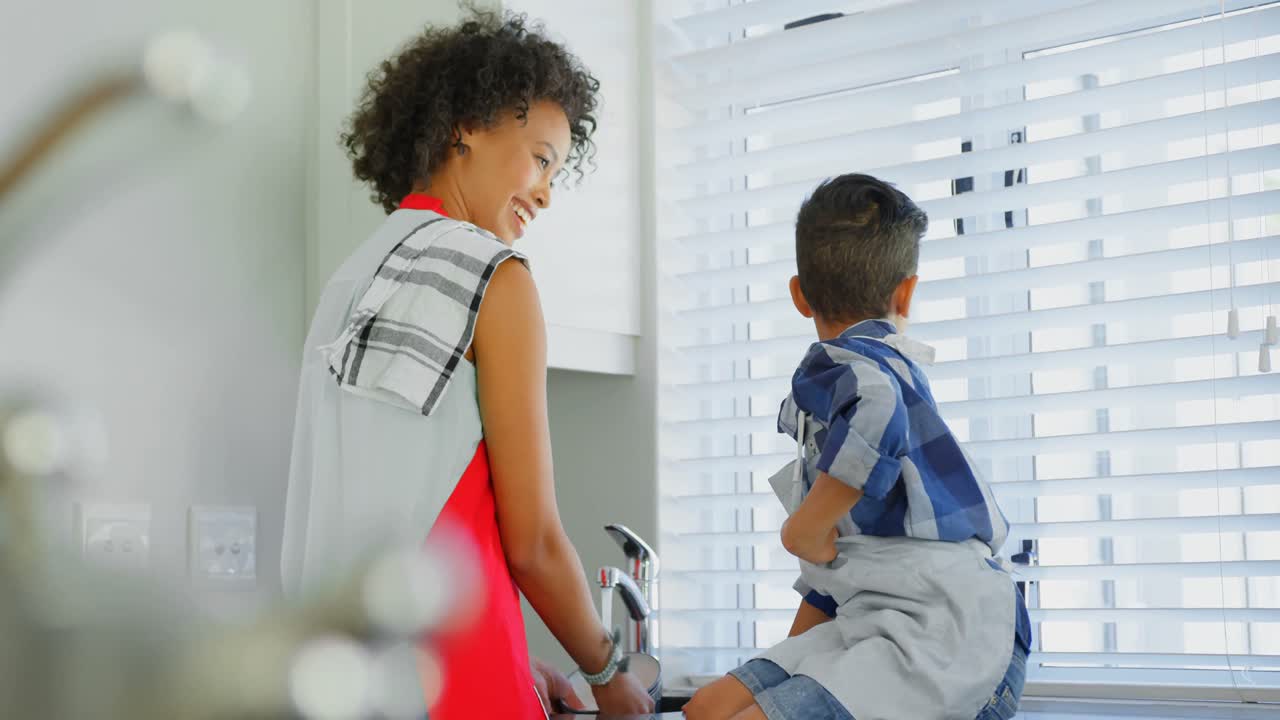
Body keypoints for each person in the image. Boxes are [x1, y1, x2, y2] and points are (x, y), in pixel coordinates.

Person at [279, 8, 653, 718]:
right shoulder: (493, 277)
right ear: (467, 125)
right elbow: (535, 543)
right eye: (540, 157)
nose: (546, 190)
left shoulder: (355, 278)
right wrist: (608, 674)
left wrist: (516, 649)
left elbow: (391, 507)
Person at [683, 174, 1032, 720]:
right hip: (889, 616)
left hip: (945, 633)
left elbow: (875, 406)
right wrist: (784, 668)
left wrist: (802, 530)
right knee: (707, 709)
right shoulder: (856, 391)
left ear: (798, 294)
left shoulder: (855, 365)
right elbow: (843, 565)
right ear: (907, 292)